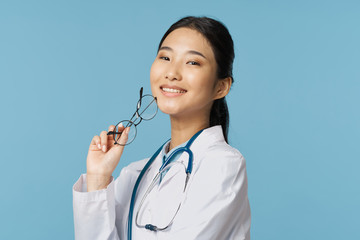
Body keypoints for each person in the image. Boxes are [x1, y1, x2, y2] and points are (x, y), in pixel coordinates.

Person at [73, 16, 251, 240]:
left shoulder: (223, 165)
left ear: (221, 87)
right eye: (165, 57)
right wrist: (98, 178)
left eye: (193, 62)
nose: (172, 73)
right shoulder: (135, 175)